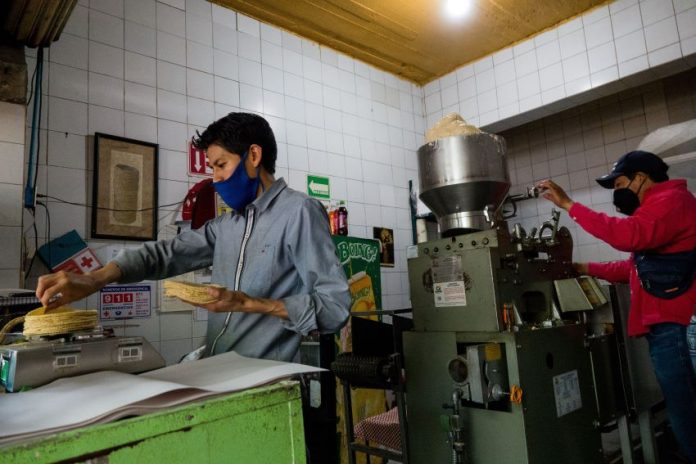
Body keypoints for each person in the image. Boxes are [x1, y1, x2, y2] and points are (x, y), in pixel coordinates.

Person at [36, 112, 351, 362]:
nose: (214, 178)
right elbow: (167, 253)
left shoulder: (299, 212)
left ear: (254, 155)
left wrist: (250, 303)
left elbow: (334, 307)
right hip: (222, 372)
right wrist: (95, 279)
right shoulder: (228, 225)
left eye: (221, 165)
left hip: (269, 382)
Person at [537, 150, 696, 463]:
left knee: (687, 416)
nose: (617, 193)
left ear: (640, 178)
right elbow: (633, 269)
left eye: (620, 183)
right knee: (684, 413)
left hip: (677, 325)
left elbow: (629, 237)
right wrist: (583, 267)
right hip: (667, 326)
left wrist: (570, 205)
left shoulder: (672, 202)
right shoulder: (659, 210)